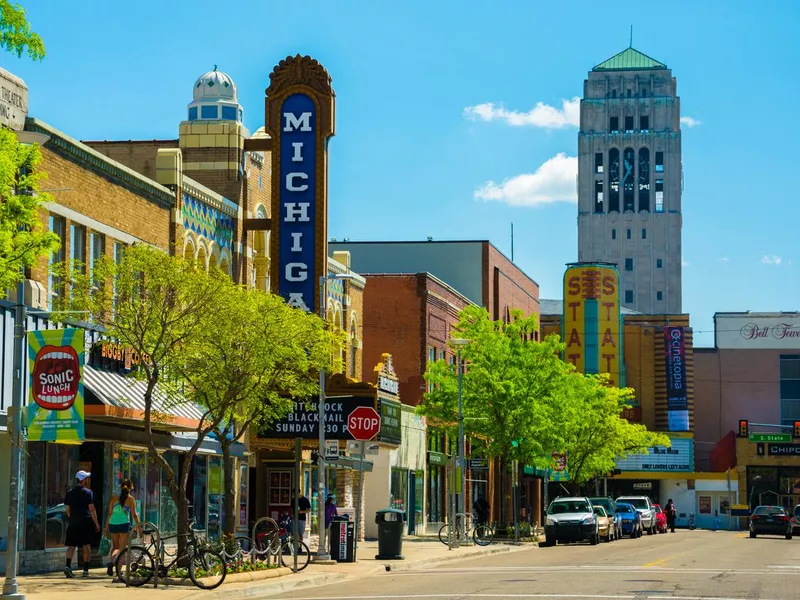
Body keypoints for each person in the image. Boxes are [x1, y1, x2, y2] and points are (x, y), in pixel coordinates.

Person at [64, 470, 100, 578]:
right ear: (83, 480)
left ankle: (68, 566)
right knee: (86, 546)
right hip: (85, 522)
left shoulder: (70, 493)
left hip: (73, 522)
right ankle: (85, 570)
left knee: (71, 546)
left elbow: (67, 510)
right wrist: (96, 523)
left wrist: (73, 518)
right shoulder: (88, 493)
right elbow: (92, 509)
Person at [104, 479, 140, 576]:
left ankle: (111, 561)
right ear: (130, 488)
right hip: (124, 524)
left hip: (112, 524)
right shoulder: (131, 499)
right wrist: (138, 527)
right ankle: (118, 572)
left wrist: (106, 526)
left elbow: (109, 513)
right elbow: (134, 515)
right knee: (122, 549)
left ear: (121, 487)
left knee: (115, 546)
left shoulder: (114, 498)